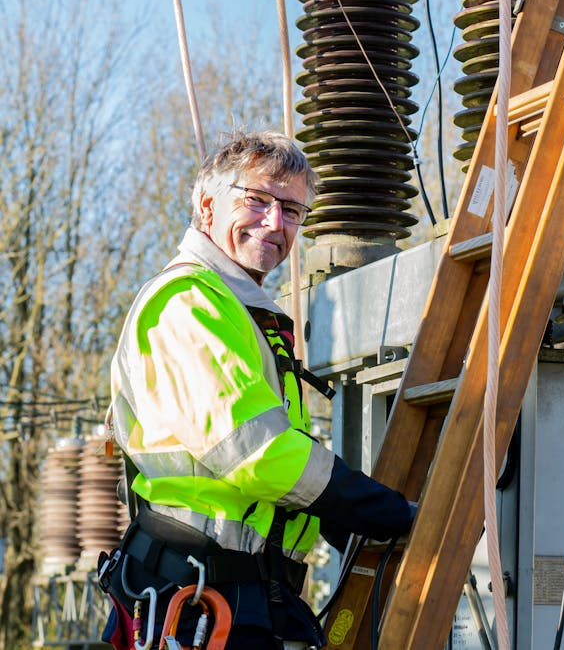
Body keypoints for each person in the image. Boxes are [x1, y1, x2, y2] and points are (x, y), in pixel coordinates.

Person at [99, 131, 414, 649]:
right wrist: (372, 508)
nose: (275, 223)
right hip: (200, 595)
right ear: (206, 205)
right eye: (258, 201)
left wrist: (334, 516)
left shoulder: (237, 310)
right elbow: (257, 453)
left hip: (241, 593)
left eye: (292, 210)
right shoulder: (190, 304)